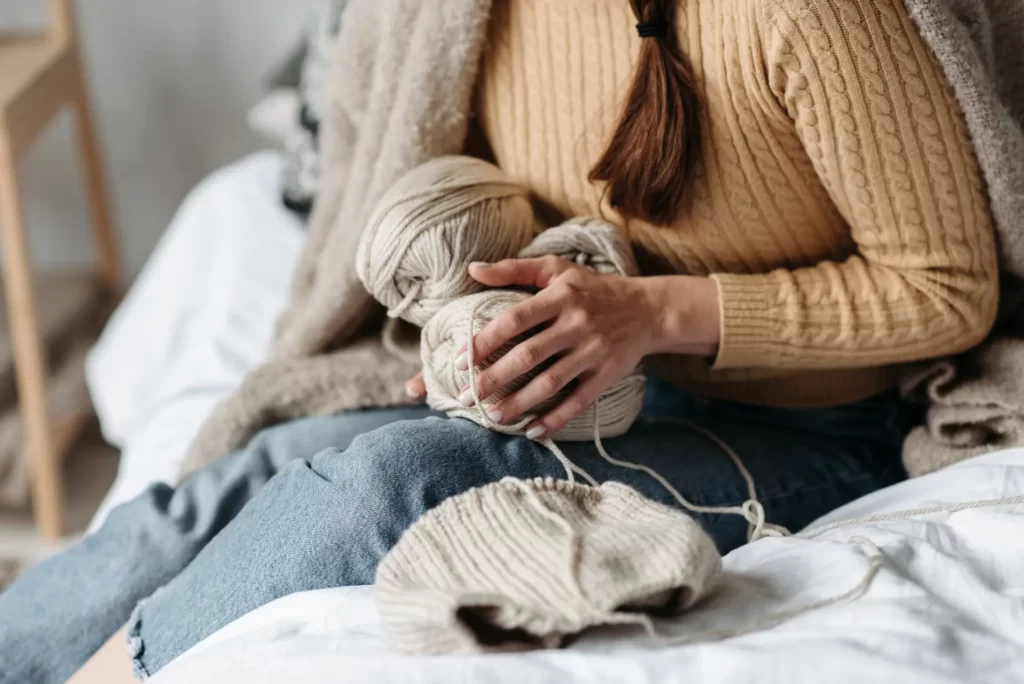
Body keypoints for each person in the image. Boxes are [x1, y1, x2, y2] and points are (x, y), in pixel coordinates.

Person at [0, 0, 999, 681]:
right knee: (259, 464)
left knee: (384, 486)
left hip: (808, 427)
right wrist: (473, 329)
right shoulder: (465, 15)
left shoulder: (809, 17)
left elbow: (949, 288)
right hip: (588, 384)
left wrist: (650, 316)